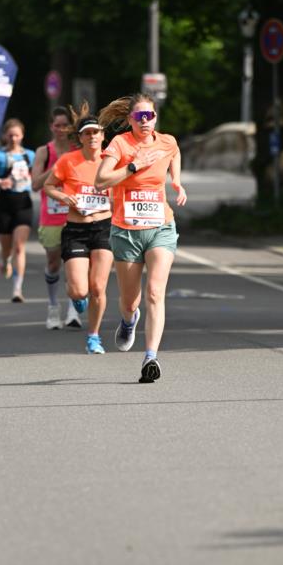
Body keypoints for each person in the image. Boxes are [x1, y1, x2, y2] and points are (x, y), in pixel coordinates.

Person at [95, 94, 187, 382]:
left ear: (156, 117)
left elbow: (175, 153)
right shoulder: (120, 144)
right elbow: (101, 180)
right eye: (139, 117)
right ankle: (128, 320)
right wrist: (134, 165)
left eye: (150, 116)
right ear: (130, 120)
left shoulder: (167, 141)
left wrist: (177, 180)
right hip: (126, 231)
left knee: (155, 293)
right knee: (130, 301)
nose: (145, 122)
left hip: (161, 226)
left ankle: (151, 357)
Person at [43, 110, 113, 353]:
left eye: (96, 132)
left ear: (103, 136)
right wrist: (64, 197)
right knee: (79, 290)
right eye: (87, 133)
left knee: (98, 288)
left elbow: (126, 186)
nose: (92, 136)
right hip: (75, 229)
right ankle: (76, 296)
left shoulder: (112, 160)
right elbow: (48, 185)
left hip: (104, 227)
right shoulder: (68, 160)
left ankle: (93, 336)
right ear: (80, 138)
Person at [31, 107, 83, 330]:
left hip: (73, 215)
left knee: (74, 264)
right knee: (53, 263)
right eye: (57, 125)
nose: (61, 129)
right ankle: (53, 307)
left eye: (65, 125)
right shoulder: (44, 151)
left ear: (71, 127)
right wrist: (56, 167)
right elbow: (34, 185)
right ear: (51, 126)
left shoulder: (77, 150)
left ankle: (73, 310)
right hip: (50, 216)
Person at [0, 118, 35, 302]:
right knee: (6, 247)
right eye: (10, 135)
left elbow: (36, 176)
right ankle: (5, 261)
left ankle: (17, 289)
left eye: (17, 135)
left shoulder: (30, 155)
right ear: (5, 135)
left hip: (23, 203)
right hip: (4, 203)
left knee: (19, 246)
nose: (13, 138)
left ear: (22, 135)